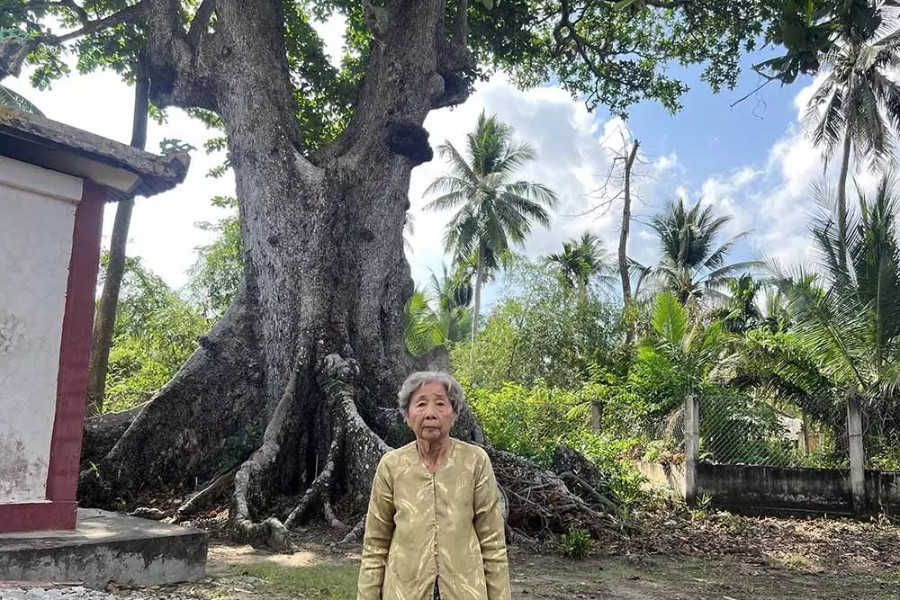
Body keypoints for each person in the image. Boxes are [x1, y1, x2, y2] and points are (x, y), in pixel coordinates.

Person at [357, 371, 511, 600]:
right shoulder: (392, 466)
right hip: (404, 592)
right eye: (420, 404)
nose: (430, 414)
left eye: (440, 404)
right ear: (407, 415)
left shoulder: (475, 462)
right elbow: (375, 546)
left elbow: (493, 545)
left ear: (454, 413)